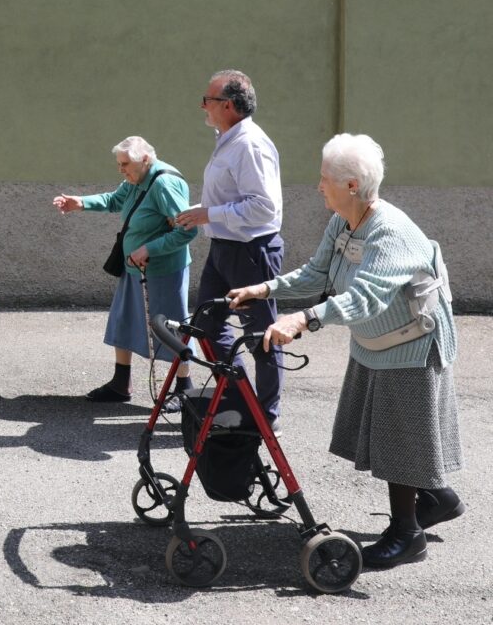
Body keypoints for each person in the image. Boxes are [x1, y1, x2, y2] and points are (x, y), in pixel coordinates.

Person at [227, 133, 463, 569]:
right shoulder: (343, 220)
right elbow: (317, 272)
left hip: (412, 345)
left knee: (400, 438)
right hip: (380, 339)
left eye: (325, 179)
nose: (319, 186)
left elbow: (367, 297)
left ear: (351, 184)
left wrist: (302, 320)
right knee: (393, 432)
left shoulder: (389, 232)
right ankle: (439, 498)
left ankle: (407, 535)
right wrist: (264, 289)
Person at [175, 69, 285, 433]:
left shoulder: (249, 144)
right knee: (206, 325)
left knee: (261, 337)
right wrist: (202, 213)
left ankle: (265, 418)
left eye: (208, 99)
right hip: (225, 248)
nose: (201, 105)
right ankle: (242, 401)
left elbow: (263, 207)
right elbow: (232, 197)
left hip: (252, 251)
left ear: (230, 106)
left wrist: (209, 213)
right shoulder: (227, 138)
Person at [53, 136, 197, 403]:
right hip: (133, 268)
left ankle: (184, 388)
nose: (121, 170)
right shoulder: (135, 179)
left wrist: (149, 249)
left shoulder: (164, 183)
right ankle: (121, 384)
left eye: (125, 164)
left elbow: (187, 231)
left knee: (172, 327)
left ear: (145, 160)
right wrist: (80, 202)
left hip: (164, 270)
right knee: (124, 320)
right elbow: (114, 200)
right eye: (119, 164)